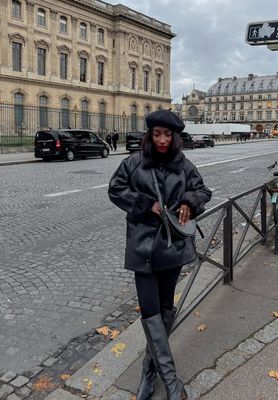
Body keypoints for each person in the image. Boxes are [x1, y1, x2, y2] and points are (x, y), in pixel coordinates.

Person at [108, 110, 212, 400]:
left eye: (168, 135)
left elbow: (203, 190)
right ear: (149, 135)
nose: (163, 140)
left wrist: (190, 202)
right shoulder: (133, 163)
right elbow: (114, 190)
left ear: (175, 136)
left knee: (165, 310)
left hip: (173, 249)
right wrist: (144, 204)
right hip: (142, 248)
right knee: (150, 310)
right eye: (157, 134)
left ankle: (148, 373)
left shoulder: (184, 165)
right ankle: (172, 383)